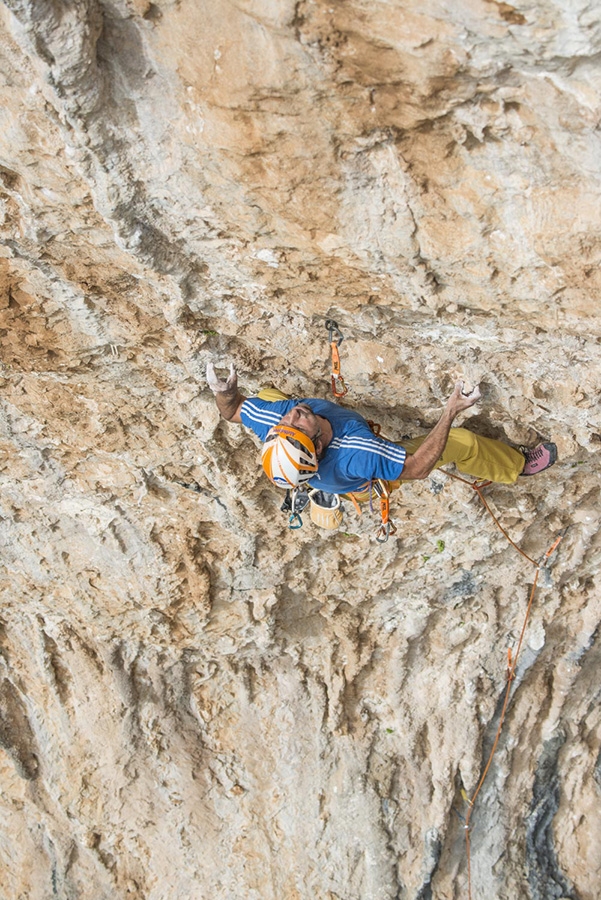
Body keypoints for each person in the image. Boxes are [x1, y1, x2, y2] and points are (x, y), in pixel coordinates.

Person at [206, 363, 557, 495]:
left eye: (285, 424)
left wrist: (226, 392)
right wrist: (450, 411)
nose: (293, 414)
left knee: (266, 397)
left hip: (326, 468)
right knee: (463, 442)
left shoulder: (279, 420)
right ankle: (515, 466)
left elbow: (233, 411)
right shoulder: (357, 452)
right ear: (318, 443)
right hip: (371, 476)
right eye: (297, 424)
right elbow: (417, 469)